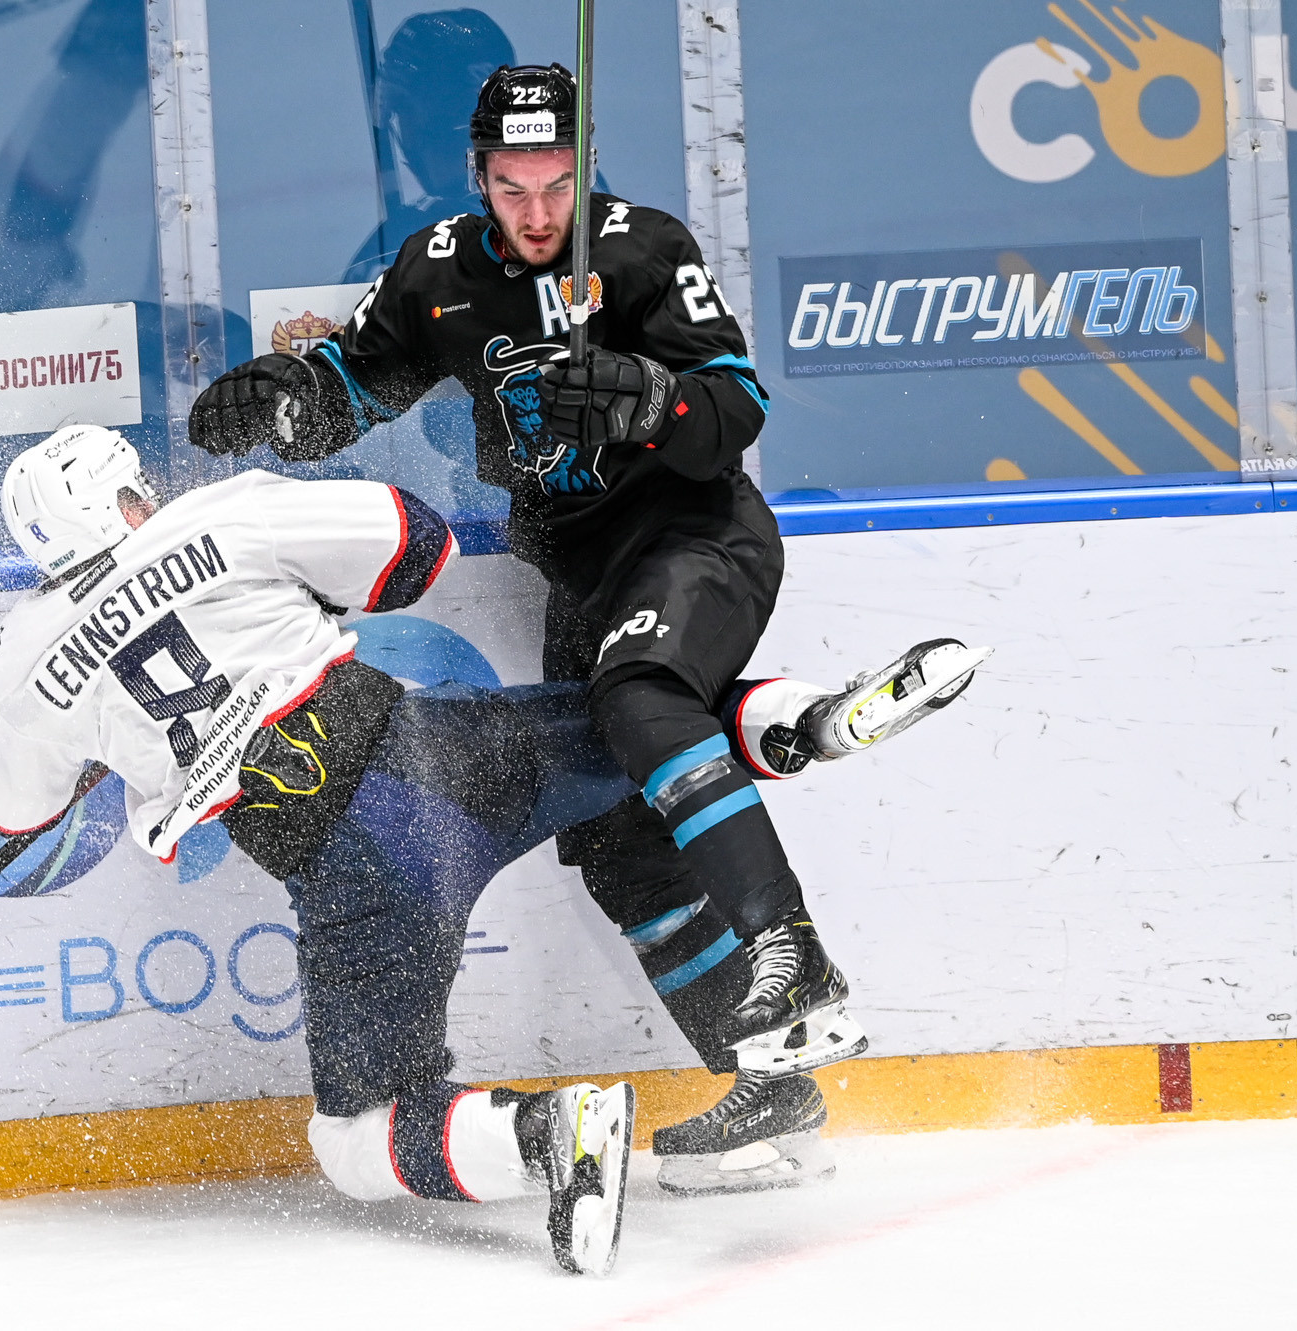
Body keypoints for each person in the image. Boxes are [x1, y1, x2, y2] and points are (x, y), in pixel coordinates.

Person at [187, 63, 988, 1196]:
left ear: (583, 168)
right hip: (585, 578)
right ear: (478, 179)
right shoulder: (434, 274)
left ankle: (789, 951)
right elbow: (350, 388)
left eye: (554, 183)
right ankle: (769, 1078)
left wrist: (645, 396)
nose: (534, 212)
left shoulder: (640, 250)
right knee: (615, 838)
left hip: (694, 538)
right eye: (510, 187)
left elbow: (736, 410)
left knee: (635, 699)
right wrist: (277, 402)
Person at [0, 425, 974, 1271]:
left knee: (354, 1139)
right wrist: (303, 601)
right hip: (439, 751)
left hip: (358, 864)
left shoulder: (21, 665)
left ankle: (549, 1135)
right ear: (130, 500)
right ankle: (804, 718)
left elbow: (6, 806)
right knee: (628, 727)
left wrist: (96, 733)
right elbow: (417, 544)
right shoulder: (220, 516)